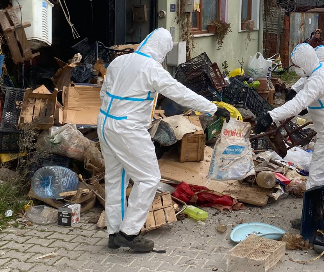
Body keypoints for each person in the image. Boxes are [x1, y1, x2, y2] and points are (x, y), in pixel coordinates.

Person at [98, 28, 230, 253]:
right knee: (149, 178)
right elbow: (181, 93)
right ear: (162, 50)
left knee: (115, 179)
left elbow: (104, 92)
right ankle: (129, 233)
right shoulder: (151, 69)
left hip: (105, 123)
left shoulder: (120, 61)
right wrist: (212, 108)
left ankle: (114, 232)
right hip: (128, 128)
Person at [256, 43, 324, 228]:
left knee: (318, 176)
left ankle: (313, 220)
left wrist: (270, 116)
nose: (296, 69)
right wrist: (296, 91)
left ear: (303, 64)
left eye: (296, 65)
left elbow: (297, 105)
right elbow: (311, 84)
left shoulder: (317, 80)